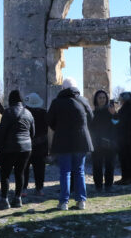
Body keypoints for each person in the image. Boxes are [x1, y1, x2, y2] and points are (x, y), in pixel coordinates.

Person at [47, 77, 94, 211]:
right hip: (81, 140)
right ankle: (81, 201)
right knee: (80, 171)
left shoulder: (57, 102)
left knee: (65, 172)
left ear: (63, 88)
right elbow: (91, 118)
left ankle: (63, 202)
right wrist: (83, 129)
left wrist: (59, 129)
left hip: (63, 141)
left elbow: (49, 120)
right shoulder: (83, 100)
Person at [0, 90, 34, 209]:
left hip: (10, 148)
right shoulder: (28, 113)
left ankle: (4, 200)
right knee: (20, 173)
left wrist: (0, 147)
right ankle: (17, 199)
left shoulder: (8, 112)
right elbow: (33, 133)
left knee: (5, 174)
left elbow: (2, 132)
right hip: (26, 148)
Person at [88, 90, 116, 192]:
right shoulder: (92, 113)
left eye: (104, 98)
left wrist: (114, 114)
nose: (102, 100)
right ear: (96, 99)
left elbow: (116, 124)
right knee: (97, 166)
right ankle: (98, 186)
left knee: (109, 165)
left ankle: (109, 185)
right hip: (97, 144)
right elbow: (90, 128)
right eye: (100, 98)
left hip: (109, 143)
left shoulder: (110, 112)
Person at [22, 93, 48, 197]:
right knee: (40, 168)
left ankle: (23, 189)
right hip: (40, 144)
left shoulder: (24, 113)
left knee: (24, 168)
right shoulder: (44, 113)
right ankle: (39, 188)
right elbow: (46, 130)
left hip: (26, 143)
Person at [114, 92, 131, 185]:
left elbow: (117, 123)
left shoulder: (124, 110)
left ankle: (125, 178)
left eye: (121, 99)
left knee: (124, 159)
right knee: (130, 158)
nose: (120, 100)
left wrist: (114, 114)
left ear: (124, 100)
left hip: (124, 138)